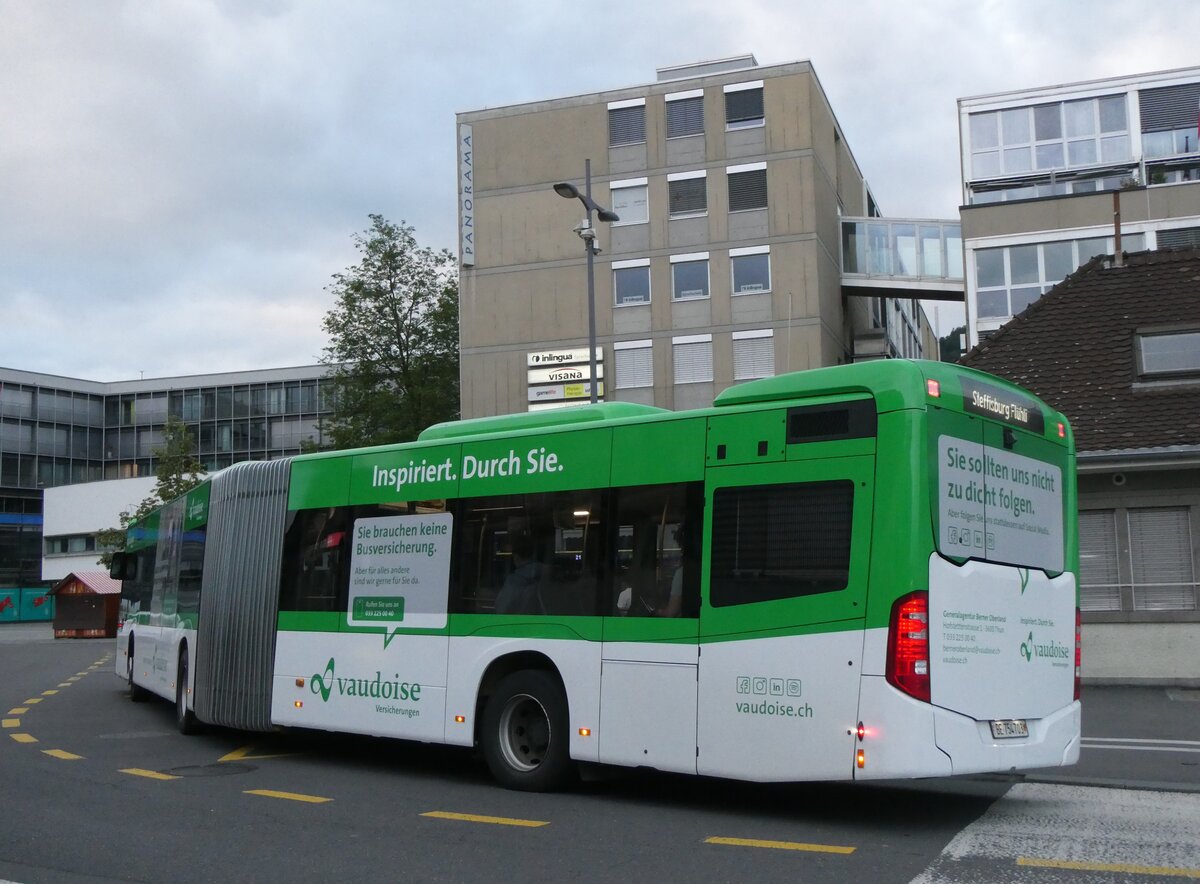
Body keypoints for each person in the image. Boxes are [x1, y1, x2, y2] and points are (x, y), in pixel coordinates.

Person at [494, 535, 546, 615]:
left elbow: (502, 608)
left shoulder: (514, 581)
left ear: (516, 556)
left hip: (519, 624)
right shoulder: (549, 574)